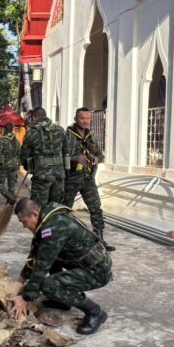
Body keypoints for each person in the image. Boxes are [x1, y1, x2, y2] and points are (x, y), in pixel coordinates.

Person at [7, 198, 112, 335]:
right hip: (82, 263)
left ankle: (95, 312)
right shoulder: (46, 219)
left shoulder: (54, 227)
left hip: (96, 271)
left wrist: (25, 298)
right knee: (51, 258)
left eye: (24, 222)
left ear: (34, 214)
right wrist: (18, 285)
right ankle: (62, 301)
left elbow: (41, 266)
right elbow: (35, 256)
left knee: (48, 285)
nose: (24, 226)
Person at [63, 107, 115, 251]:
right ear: (75, 119)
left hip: (88, 179)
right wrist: (74, 159)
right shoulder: (67, 136)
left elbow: (100, 154)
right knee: (65, 210)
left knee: (96, 209)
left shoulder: (91, 136)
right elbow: (59, 156)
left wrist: (97, 158)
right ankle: (64, 240)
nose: (86, 121)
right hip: (71, 178)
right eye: (82, 118)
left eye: (88, 118)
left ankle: (99, 240)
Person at [20, 107, 69, 207]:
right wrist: (65, 171)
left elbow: (24, 156)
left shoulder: (32, 133)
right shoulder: (60, 130)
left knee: (37, 208)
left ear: (34, 118)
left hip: (41, 177)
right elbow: (67, 153)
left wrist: (29, 167)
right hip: (59, 176)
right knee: (55, 207)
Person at [0, 123, 21, 205]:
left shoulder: (2, 140)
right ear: (12, 129)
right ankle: (10, 203)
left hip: (4, 165)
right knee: (11, 185)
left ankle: (11, 198)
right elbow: (19, 153)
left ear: (4, 130)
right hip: (14, 164)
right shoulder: (16, 141)